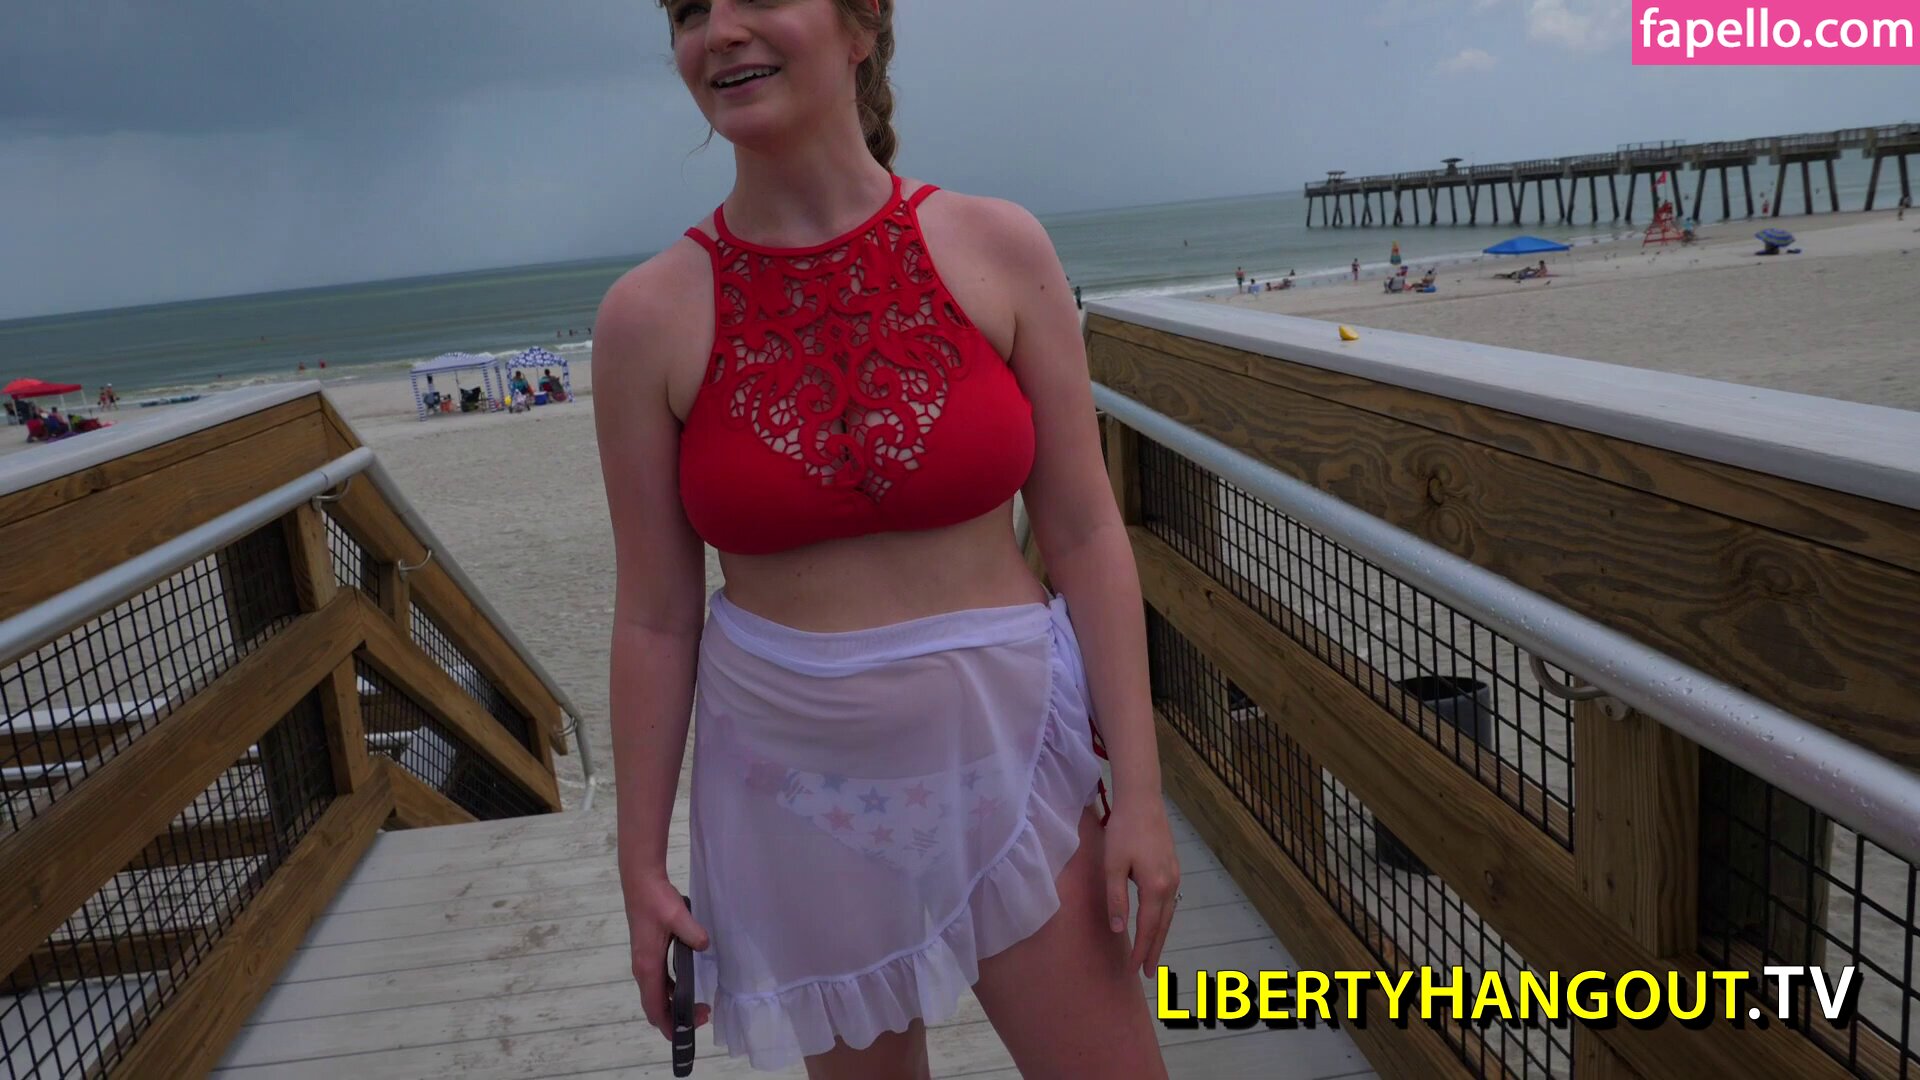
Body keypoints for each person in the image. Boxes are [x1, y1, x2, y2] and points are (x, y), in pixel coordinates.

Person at [595, 1, 1176, 1076]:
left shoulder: (997, 246)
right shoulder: (646, 317)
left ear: (861, 25)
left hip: (1013, 756)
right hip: (795, 790)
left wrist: (1138, 791)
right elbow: (656, 618)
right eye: (688, 10)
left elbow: (1088, 530)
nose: (720, 31)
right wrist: (640, 868)